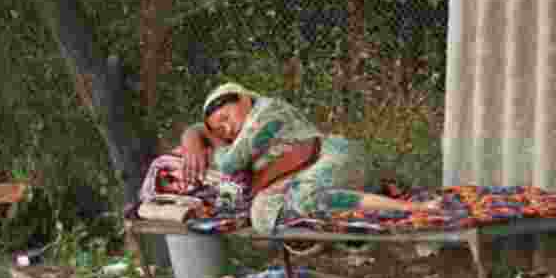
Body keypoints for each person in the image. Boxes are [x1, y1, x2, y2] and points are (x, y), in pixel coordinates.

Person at [179, 83, 440, 235]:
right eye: (220, 129)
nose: (227, 129)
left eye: (226, 118)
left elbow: (228, 164)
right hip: (333, 164)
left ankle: (413, 208)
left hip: (333, 160)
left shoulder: (264, 115)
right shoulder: (262, 114)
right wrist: (196, 134)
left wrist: (205, 135)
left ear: (243, 99)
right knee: (270, 207)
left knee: (302, 201)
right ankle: (399, 197)